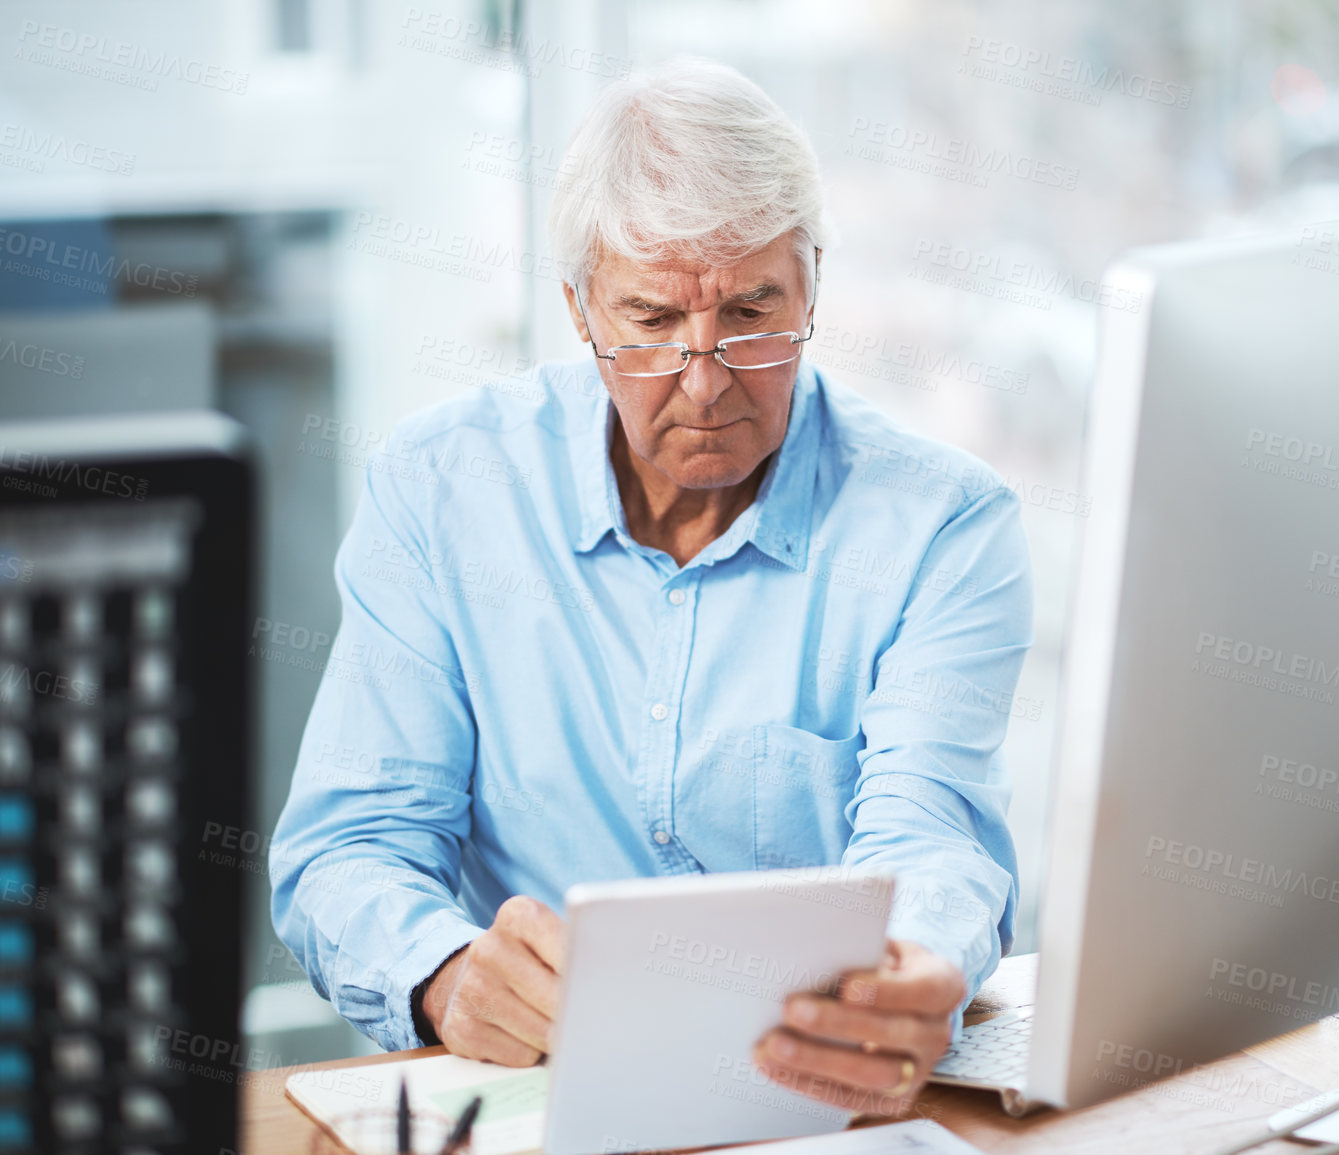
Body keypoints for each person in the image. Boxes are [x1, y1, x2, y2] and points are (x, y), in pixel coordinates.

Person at [269, 57, 1032, 1117]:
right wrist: (443, 972)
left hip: (819, 1102)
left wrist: (916, 962)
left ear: (815, 281)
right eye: (655, 321)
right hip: (537, 1098)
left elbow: (932, 837)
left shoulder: (942, 526)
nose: (707, 376)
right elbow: (348, 850)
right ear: (582, 311)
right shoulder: (442, 493)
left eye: (754, 311)